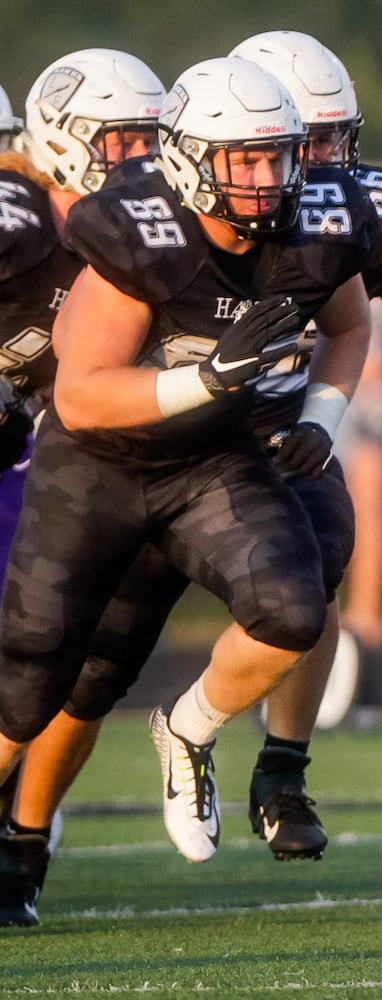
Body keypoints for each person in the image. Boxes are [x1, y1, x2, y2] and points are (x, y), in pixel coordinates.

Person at [0, 34, 382, 922]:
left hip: (228, 448)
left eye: (303, 149)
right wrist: (203, 377)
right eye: (256, 156)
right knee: (47, 670)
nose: (291, 172)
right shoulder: (124, 222)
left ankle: (259, 765)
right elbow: (84, 397)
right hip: (99, 458)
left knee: (299, 590)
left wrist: (338, 415)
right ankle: (24, 838)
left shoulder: (322, 216)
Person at [0, 48, 166, 927]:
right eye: (123, 138)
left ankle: (22, 841)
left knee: (88, 668)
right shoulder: (22, 213)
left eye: (153, 138)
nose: (141, 159)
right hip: (20, 460)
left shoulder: (155, 227)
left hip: (73, 465)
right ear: (62, 140)